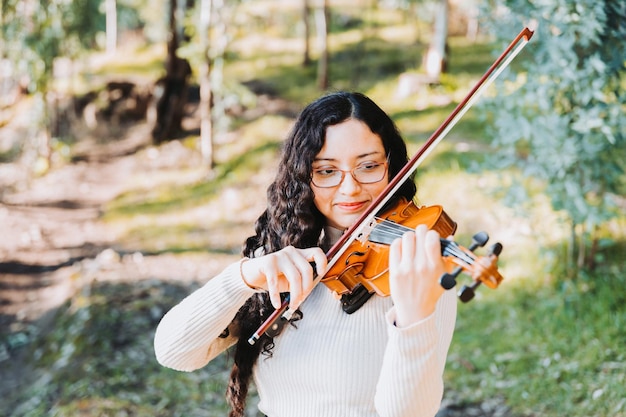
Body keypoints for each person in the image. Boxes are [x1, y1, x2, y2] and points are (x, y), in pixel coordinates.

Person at [154, 91, 457, 417]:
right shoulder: (284, 252)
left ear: (392, 167)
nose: (350, 188)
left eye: (368, 166)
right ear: (303, 177)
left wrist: (414, 317)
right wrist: (244, 277)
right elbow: (174, 352)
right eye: (327, 171)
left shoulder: (420, 266)